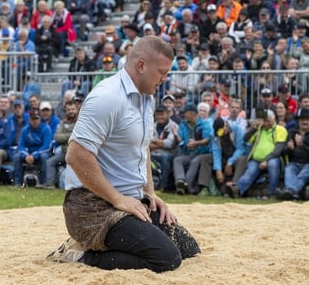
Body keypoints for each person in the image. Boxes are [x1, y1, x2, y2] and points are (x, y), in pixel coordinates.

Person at [48, 36, 200, 272]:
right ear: (141, 65)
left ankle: (106, 246)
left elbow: (143, 149)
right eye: (161, 72)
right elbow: (76, 155)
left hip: (128, 200)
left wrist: (150, 194)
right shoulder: (107, 97)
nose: (165, 79)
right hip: (91, 206)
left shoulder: (147, 98)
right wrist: (118, 199)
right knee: (166, 258)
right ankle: (78, 254)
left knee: (188, 248)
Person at [276, 108, 309, 200]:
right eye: (302, 119)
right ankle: (293, 193)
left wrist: (302, 144)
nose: (305, 122)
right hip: (294, 163)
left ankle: (290, 192)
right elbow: (284, 152)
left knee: (302, 176)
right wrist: (289, 148)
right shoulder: (292, 132)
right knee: (288, 170)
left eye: (307, 119)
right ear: (298, 121)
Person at [12, 108, 52, 188]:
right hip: (28, 154)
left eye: (36, 119)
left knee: (44, 156)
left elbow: (47, 146)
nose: (35, 121)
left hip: (41, 153)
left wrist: (34, 155)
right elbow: (21, 145)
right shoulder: (25, 129)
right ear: (29, 119)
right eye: (32, 119)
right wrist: (25, 155)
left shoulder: (46, 129)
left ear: (40, 119)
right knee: (16, 157)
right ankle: (18, 182)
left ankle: (44, 182)